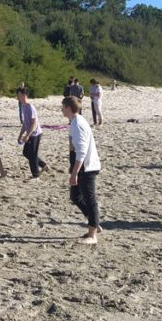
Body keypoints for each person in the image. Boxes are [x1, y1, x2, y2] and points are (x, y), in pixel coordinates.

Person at [62, 96, 101, 244]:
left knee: (90, 199)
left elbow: (82, 152)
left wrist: (74, 173)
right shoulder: (74, 122)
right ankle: (94, 223)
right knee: (75, 196)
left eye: (63, 107)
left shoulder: (78, 123)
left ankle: (92, 235)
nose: (61, 109)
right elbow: (74, 148)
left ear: (68, 108)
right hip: (81, 166)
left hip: (87, 167)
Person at [17, 87, 48, 178]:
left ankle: (35, 175)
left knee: (32, 154)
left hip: (35, 134)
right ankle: (43, 165)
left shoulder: (30, 107)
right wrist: (20, 135)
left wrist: (27, 135)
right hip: (29, 133)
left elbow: (34, 124)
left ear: (24, 95)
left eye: (19, 95)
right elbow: (25, 123)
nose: (18, 97)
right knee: (26, 153)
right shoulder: (23, 106)